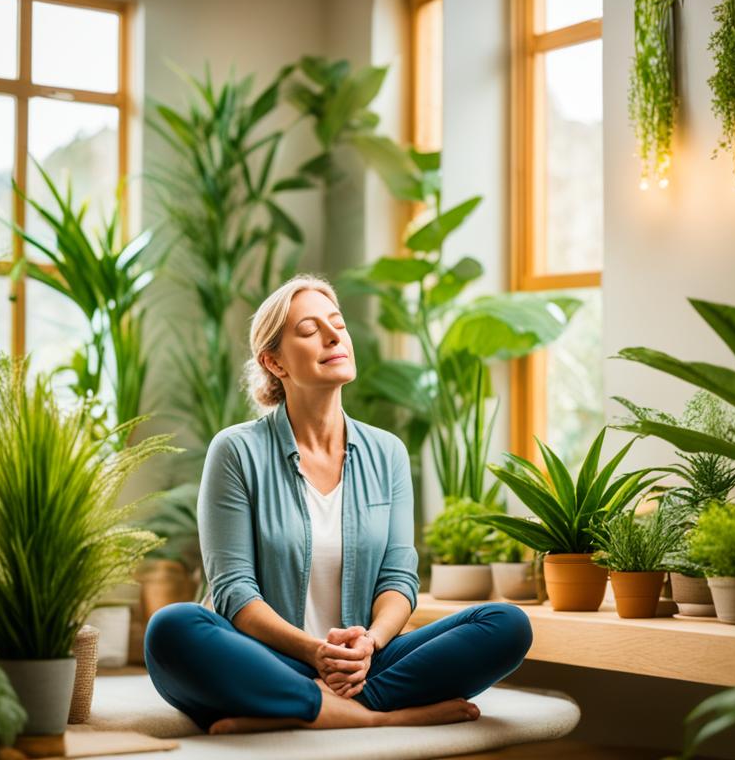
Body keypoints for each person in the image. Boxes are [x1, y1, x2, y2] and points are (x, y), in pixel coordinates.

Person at [144, 274, 533, 734]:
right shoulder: (236, 450)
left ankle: (303, 711)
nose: (333, 336)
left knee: (505, 623)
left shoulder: (387, 452)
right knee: (172, 628)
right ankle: (381, 717)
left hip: (363, 667)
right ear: (275, 362)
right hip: (266, 658)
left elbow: (398, 577)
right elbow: (233, 593)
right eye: (309, 331)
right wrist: (314, 653)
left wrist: (370, 643)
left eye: (338, 324)